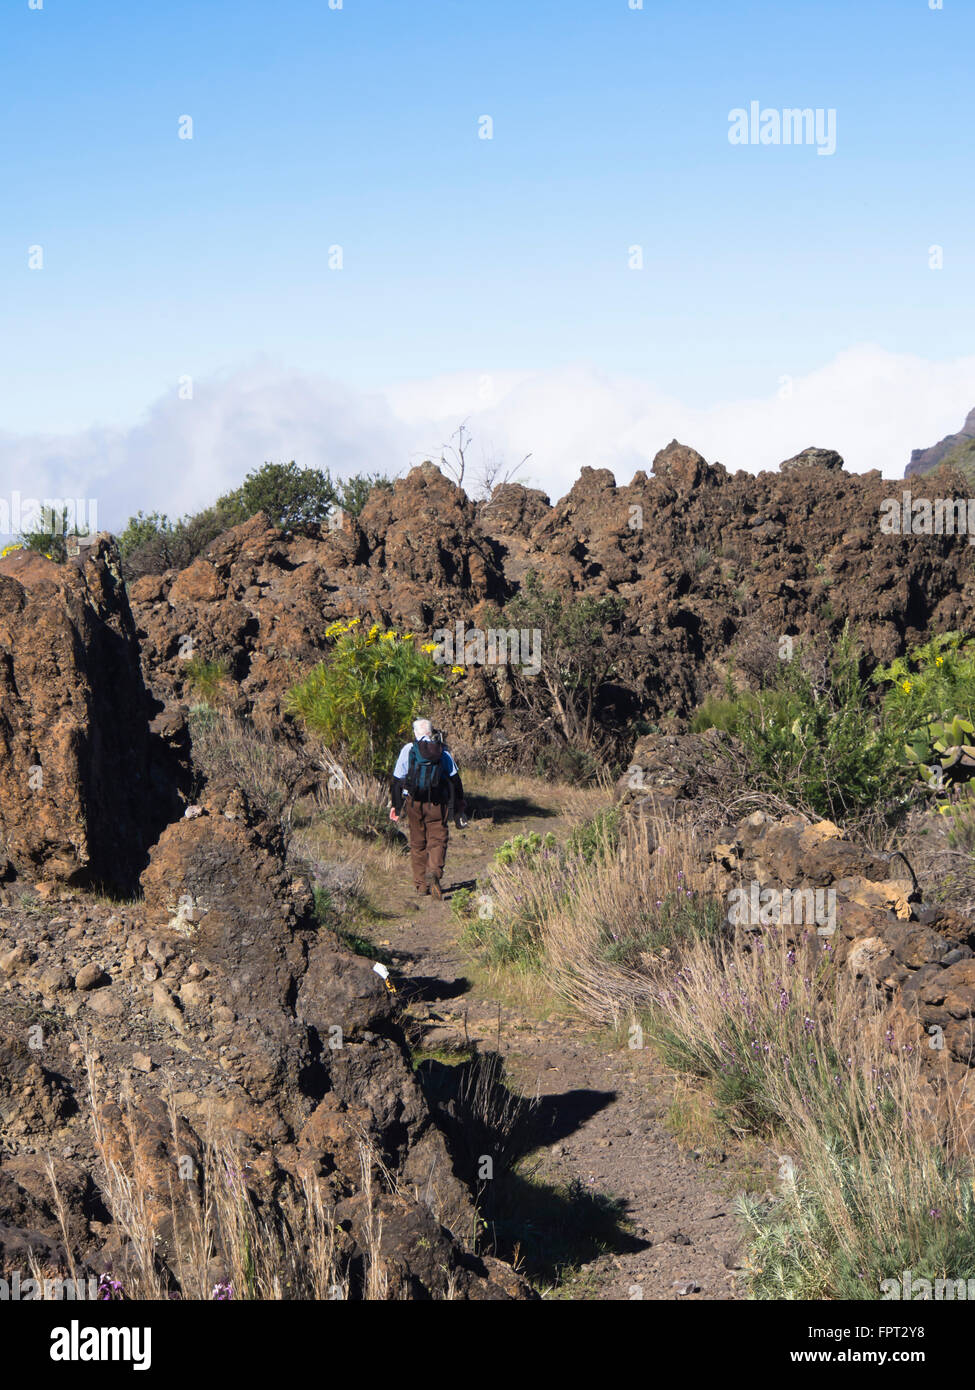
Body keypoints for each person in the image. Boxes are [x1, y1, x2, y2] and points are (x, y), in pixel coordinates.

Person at [390, 718, 466, 898]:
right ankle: (434, 872)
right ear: (431, 732)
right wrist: (460, 803)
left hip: (414, 803)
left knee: (417, 843)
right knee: (438, 839)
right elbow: (455, 780)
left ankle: (421, 885)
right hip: (437, 804)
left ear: (415, 733)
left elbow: (397, 781)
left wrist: (396, 806)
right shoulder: (442, 751)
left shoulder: (408, 750)